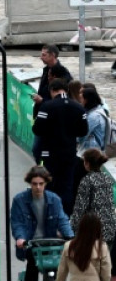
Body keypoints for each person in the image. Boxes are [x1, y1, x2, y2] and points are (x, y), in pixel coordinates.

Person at [12, 165, 75, 281]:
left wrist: (70, 236)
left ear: (46, 183)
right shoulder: (19, 200)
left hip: (50, 243)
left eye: (41, 183)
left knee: (59, 280)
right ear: (30, 183)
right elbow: (17, 223)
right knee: (31, 275)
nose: (38, 187)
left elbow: (62, 219)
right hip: (31, 243)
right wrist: (20, 238)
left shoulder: (54, 199)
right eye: (34, 184)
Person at [33, 78, 88, 214]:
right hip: (69, 153)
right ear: (67, 90)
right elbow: (83, 131)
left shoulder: (47, 106)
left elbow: (37, 129)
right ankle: (66, 218)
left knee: (50, 186)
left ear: (52, 90)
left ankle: (51, 216)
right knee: (67, 187)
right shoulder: (78, 107)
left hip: (50, 153)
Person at [70, 149, 116, 271]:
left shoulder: (87, 181)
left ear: (87, 163)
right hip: (109, 229)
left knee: (90, 268)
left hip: (93, 231)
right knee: (103, 265)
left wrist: (72, 229)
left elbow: (80, 208)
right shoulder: (107, 179)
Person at [56, 213, 112, 281]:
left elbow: (61, 274)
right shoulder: (102, 247)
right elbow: (106, 274)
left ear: (81, 228)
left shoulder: (69, 246)